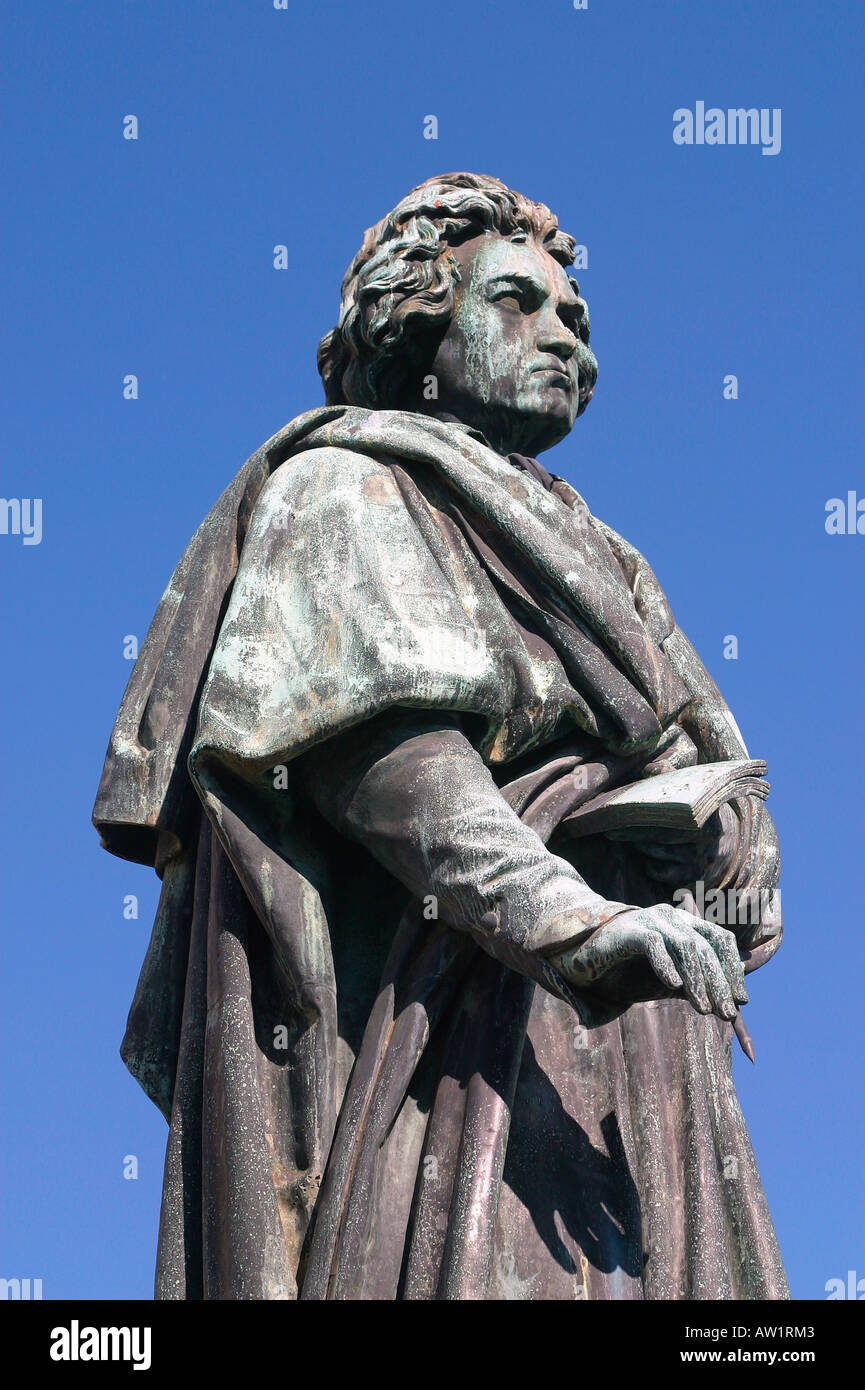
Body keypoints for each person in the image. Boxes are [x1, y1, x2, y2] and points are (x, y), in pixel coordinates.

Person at [94, 172, 787, 1300]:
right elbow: (386, 759)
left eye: (576, 318)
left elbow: (720, 789)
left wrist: (723, 857)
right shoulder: (344, 486)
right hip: (463, 1031)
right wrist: (571, 921)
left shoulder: (609, 558)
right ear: (415, 325)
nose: (565, 336)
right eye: (517, 302)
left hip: (635, 1059)